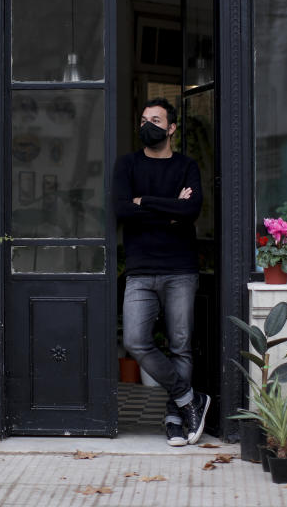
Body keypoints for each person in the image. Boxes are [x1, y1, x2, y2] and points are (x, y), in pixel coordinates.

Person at [113, 97, 209, 446]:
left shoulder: (186, 166)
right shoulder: (127, 165)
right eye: (143, 118)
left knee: (180, 344)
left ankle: (174, 416)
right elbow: (122, 210)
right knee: (136, 341)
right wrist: (170, 206)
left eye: (155, 120)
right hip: (140, 269)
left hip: (180, 268)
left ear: (171, 128)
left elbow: (191, 210)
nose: (147, 125)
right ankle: (188, 398)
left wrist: (146, 201)